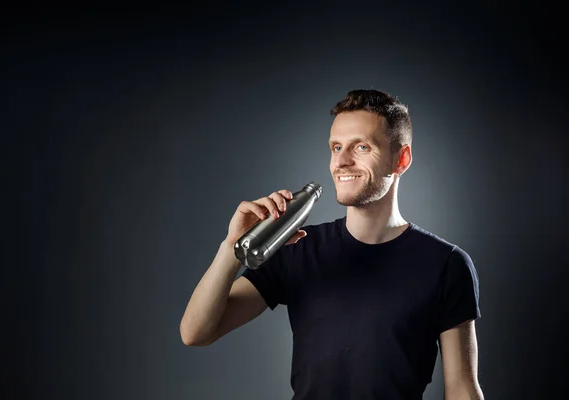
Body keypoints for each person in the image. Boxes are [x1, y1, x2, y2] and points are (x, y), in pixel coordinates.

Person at [180, 89, 483, 399]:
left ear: (401, 159)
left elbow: (461, 388)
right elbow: (196, 332)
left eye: (361, 147)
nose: (341, 161)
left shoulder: (446, 264)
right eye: (336, 147)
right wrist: (233, 247)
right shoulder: (298, 248)